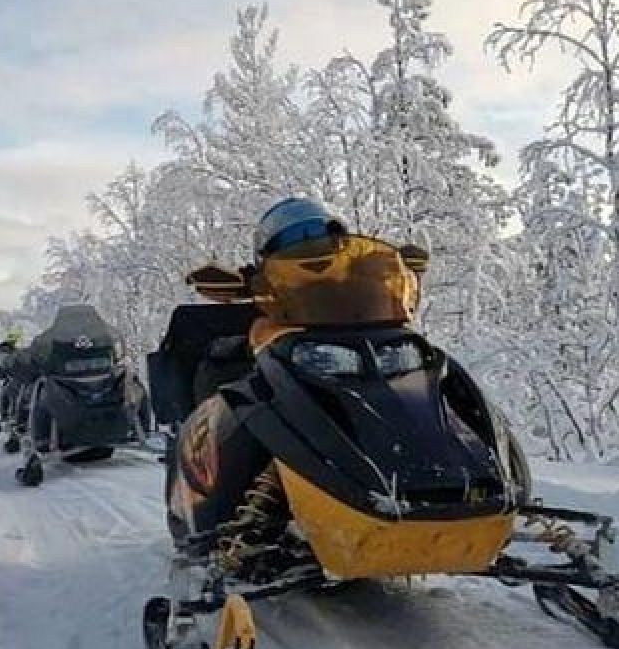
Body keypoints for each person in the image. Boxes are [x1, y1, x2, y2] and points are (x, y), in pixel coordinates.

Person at [164, 197, 425, 540]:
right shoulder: (271, 283)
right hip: (295, 353)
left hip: (362, 346)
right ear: (269, 253)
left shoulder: (357, 273)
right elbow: (254, 282)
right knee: (246, 396)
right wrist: (234, 283)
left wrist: (399, 266)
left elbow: (378, 273)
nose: (309, 245)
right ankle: (225, 513)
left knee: (427, 374)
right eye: (294, 240)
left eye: (318, 234)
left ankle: (473, 485)